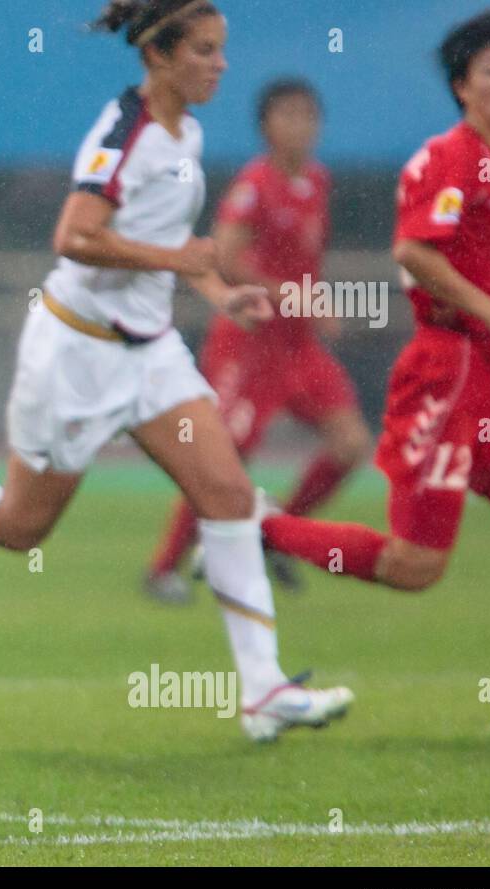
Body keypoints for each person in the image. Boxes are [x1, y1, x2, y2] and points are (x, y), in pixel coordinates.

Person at [0, 0, 352, 742]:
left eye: (222, 50)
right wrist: (180, 259)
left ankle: (263, 692)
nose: (221, 64)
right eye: (206, 51)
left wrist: (219, 289)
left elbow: (162, 241)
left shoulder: (185, 129)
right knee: (20, 526)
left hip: (151, 353)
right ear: (159, 56)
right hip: (77, 352)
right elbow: (76, 235)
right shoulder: (124, 134)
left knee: (226, 493)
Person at [258, 9, 490, 734]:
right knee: (416, 567)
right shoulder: (455, 157)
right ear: (461, 87)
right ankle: (263, 527)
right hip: (448, 377)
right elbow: (414, 249)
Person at [144, 78, 372, 605]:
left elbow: (302, 262)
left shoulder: (317, 180)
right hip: (248, 343)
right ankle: (163, 568)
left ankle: (278, 535)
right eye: (288, 115)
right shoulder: (254, 184)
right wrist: (292, 295)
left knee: (351, 442)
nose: (300, 126)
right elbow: (227, 256)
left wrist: (314, 307)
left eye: (308, 115)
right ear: (265, 125)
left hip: (298, 347)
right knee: (222, 458)